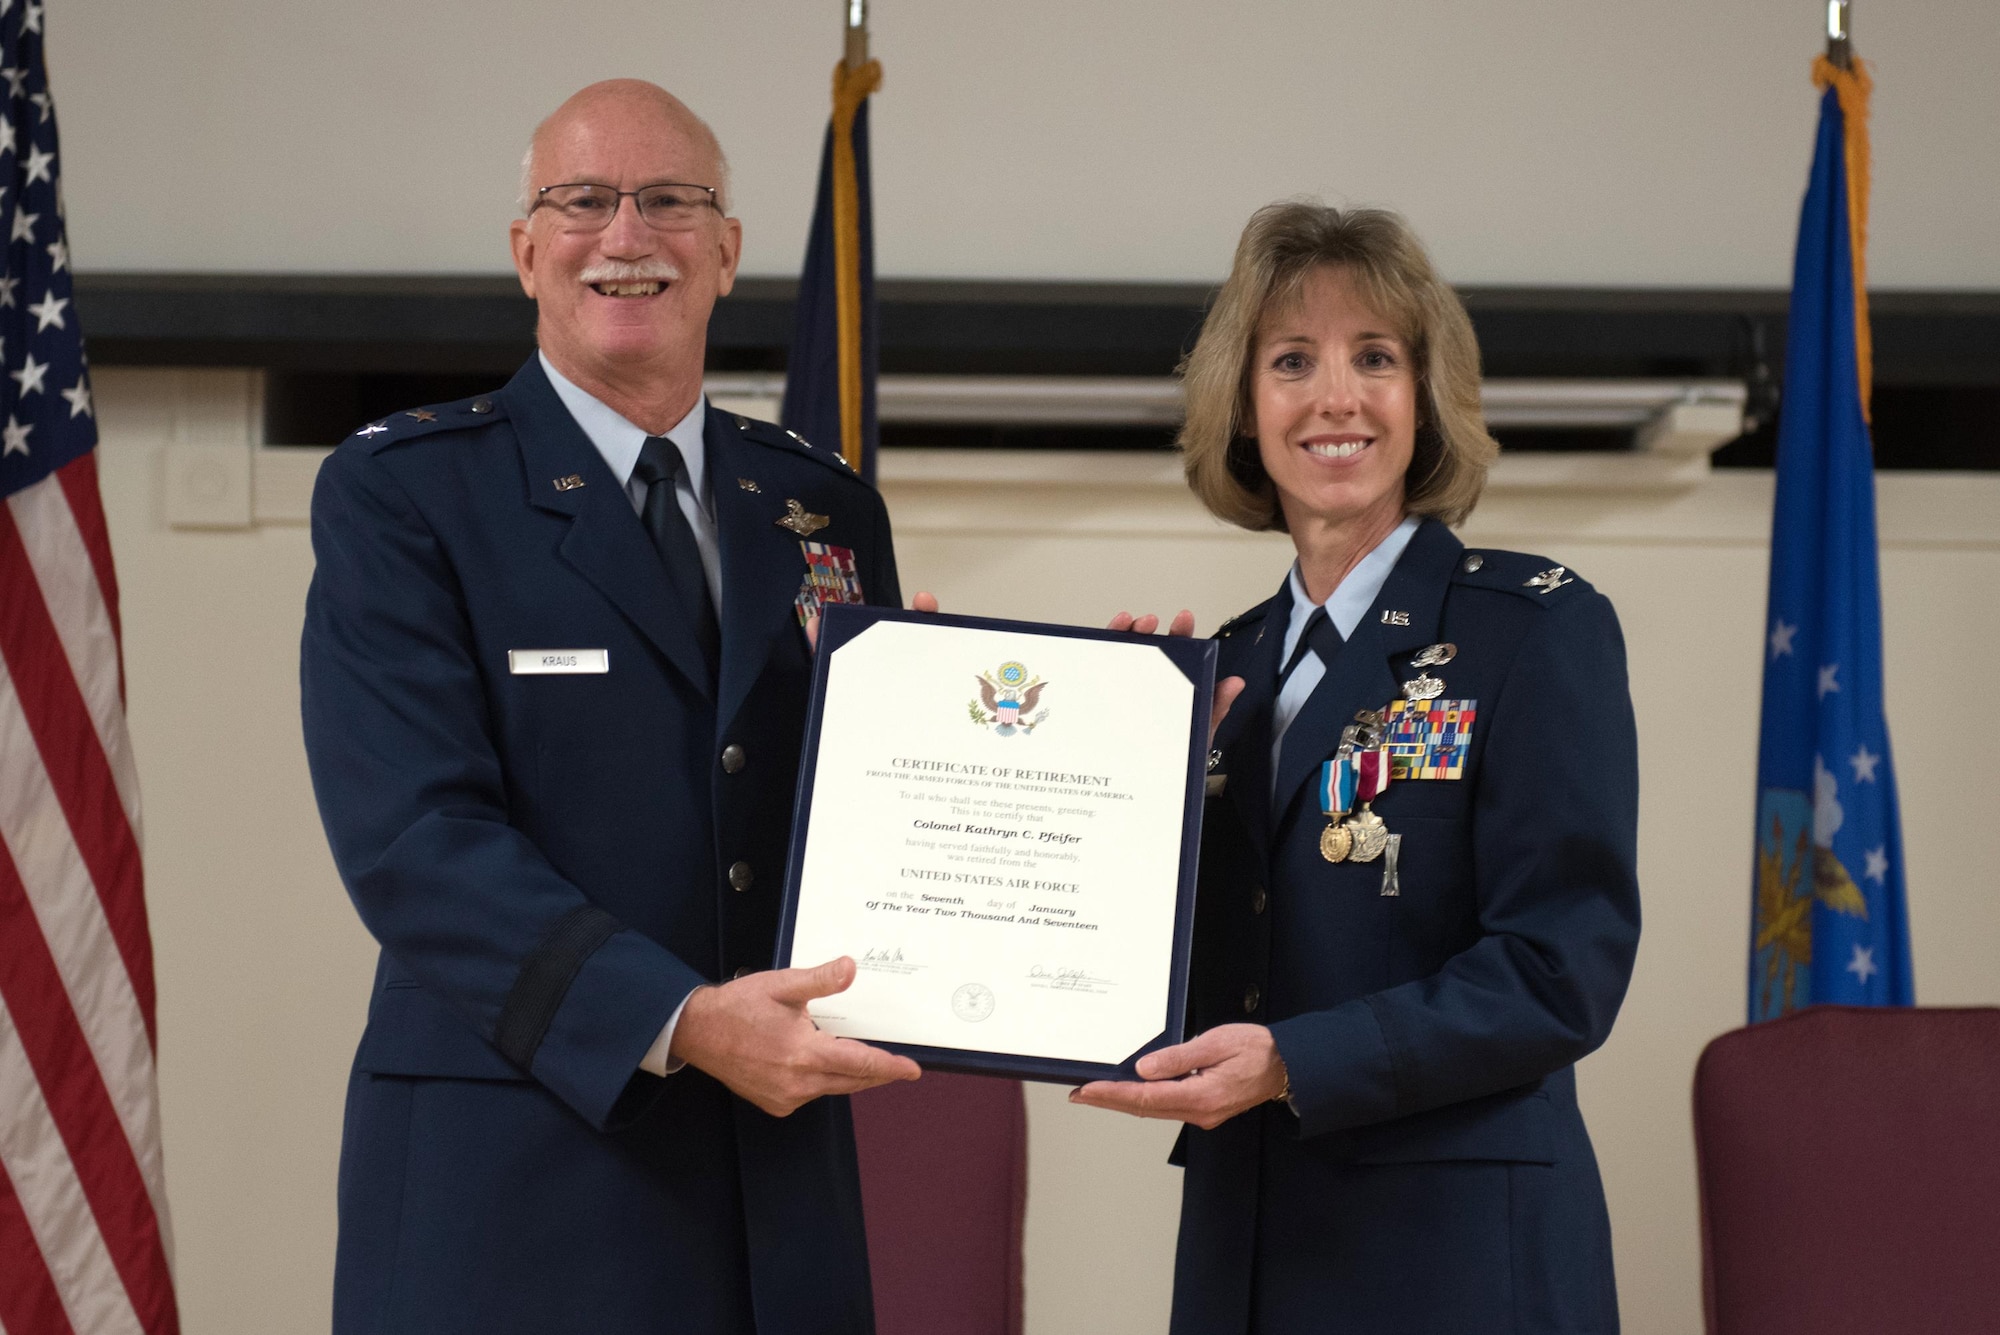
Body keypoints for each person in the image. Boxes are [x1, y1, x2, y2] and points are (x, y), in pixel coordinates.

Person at [300, 80, 923, 1334]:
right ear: (527, 252)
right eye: (581, 200)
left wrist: (1109, 727)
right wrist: (678, 1021)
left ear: (728, 251)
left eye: (671, 201)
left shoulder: (822, 509)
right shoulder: (406, 493)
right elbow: (416, 845)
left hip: (770, 1188)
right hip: (517, 1173)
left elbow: (888, 796)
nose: (626, 234)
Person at [1071, 203, 1642, 1333]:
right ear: (1243, 404)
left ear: (1424, 396)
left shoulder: (1532, 629)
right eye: (1292, 361)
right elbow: (1160, 970)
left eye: (1373, 358)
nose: (1335, 397)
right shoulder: (1209, 675)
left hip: (1457, 1260)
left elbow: (1557, 970)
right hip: (1249, 1249)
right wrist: (1115, 781)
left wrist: (1293, 1061)